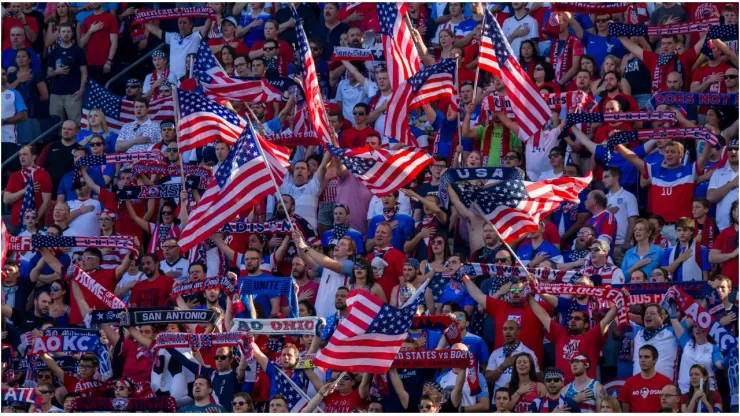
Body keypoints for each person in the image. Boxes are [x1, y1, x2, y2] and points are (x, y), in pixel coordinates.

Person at [529, 294, 616, 383]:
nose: (572, 320)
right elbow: (543, 316)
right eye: (570, 318)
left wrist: (620, 301)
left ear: (586, 324)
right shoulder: (560, 334)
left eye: (577, 318)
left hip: (584, 391)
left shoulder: (592, 337)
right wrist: (529, 297)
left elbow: (607, 320)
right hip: (561, 389)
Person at [145, 17, 212, 80]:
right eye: (180, 23)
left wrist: (210, 16)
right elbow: (156, 31)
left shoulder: (196, 36)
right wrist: (142, 19)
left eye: (184, 22)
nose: (182, 25)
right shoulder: (172, 36)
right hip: (173, 80)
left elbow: (206, 28)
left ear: (191, 24)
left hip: (189, 78)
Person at [3, 145, 52, 229]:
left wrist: (35, 219)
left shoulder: (43, 175)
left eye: (25, 154)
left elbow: (46, 202)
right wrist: (25, 190)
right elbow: (6, 200)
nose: (21, 157)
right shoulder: (15, 176)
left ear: (33, 157)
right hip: (16, 222)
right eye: (20, 155)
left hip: (36, 223)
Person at [486, 320, 540, 393]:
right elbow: (488, 378)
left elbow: (536, 377)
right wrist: (503, 366)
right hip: (500, 399)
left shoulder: (529, 353)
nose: (507, 332)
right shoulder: (496, 353)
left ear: (518, 332)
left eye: (511, 329)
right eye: (505, 329)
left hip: (522, 398)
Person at [46, 23, 86, 122]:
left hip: (73, 93)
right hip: (56, 93)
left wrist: (81, 90)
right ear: (59, 34)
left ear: (72, 33)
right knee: (56, 124)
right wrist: (57, 72)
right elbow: (48, 74)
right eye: (63, 31)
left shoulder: (78, 51)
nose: (66, 34)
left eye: (68, 31)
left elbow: (84, 73)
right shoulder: (54, 52)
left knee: (75, 123)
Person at [618, 345, 673, 412]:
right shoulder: (629, 382)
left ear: (655, 360)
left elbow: (671, 408)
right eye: (640, 357)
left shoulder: (666, 382)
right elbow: (625, 411)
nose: (642, 360)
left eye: (646, 357)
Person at [660, 217, 711, 282]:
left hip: (695, 290)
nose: (681, 233)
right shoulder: (668, 251)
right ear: (676, 231)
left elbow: (705, 276)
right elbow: (664, 273)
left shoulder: (701, 249)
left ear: (691, 231)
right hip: (674, 289)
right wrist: (679, 259)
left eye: (685, 230)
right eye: (679, 230)